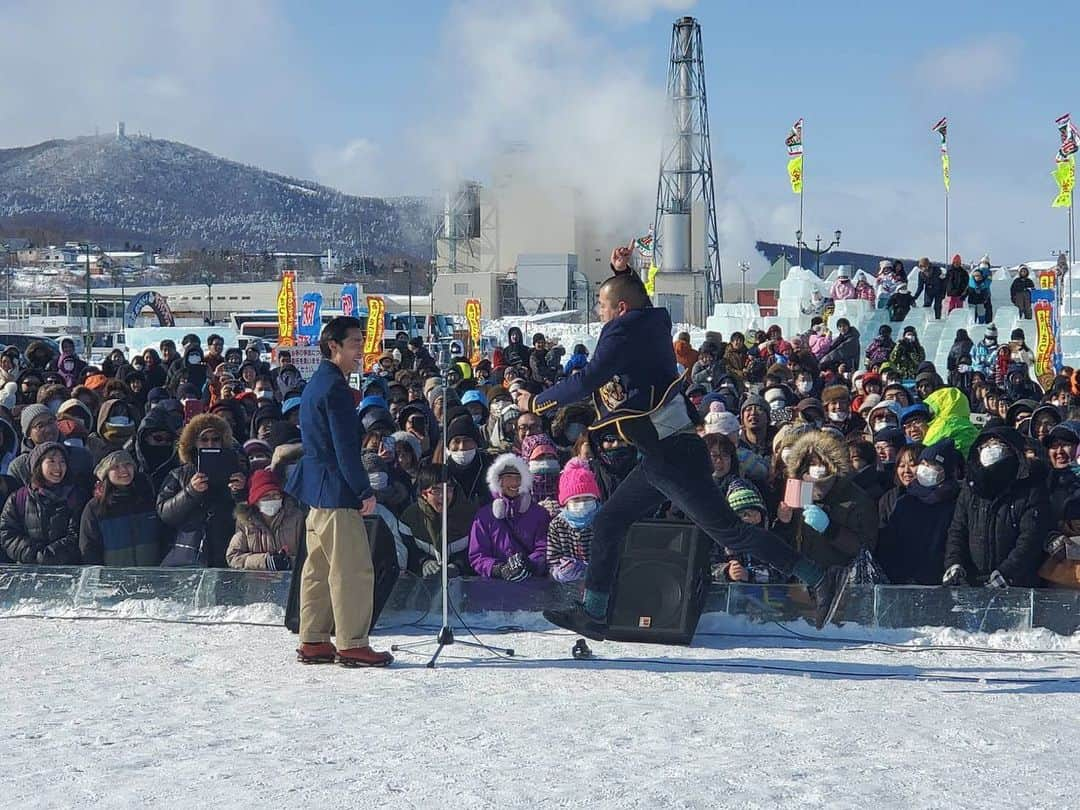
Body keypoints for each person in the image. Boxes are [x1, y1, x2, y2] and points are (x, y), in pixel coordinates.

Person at [523, 270, 847, 638]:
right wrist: (622, 274)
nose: (598, 312)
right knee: (609, 522)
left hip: (671, 454)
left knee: (732, 533)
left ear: (622, 309)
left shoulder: (622, 330)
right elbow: (633, 313)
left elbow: (588, 378)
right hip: (661, 454)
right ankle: (594, 612)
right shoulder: (649, 326)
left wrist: (537, 401)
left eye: (602, 305)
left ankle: (819, 577)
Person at [284, 316, 392, 667]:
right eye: (356, 342)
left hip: (316, 490)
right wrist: (363, 490)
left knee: (316, 568)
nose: (361, 348)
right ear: (334, 346)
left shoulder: (316, 383)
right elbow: (345, 448)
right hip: (337, 490)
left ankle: (313, 638)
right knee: (352, 569)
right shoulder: (336, 389)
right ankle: (352, 642)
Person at [943, 428, 1049, 587]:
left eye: (996, 444)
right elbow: (958, 530)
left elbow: (1030, 537)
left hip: (1017, 585)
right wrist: (954, 563)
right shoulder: (971, 487)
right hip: (974, 583)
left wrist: (1007, 573)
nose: (989, 449)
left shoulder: (1030, 487)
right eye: (985, 445)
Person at [775, 430, 878, 570]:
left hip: (840, 582)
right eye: (812, 462)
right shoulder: (797, 491)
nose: (817, 468)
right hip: (801, 581)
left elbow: (865, 548)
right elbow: (783, 545)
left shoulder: (856, 498)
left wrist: (830, 529)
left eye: (822, 462)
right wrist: (784, 523)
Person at [877, 439, 961, 584]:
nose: (925, 469)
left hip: (940, 580)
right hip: (903, 580)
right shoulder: (904, 501)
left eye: (932, 465)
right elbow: (888, 542)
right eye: (923, 464)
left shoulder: (957, 501)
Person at [467, 453, 550, 580]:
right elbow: (477, 555)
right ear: (498, 481)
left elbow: (544, 548)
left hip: (532, 586)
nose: (514, 482)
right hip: (495, 589)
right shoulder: (484, 516)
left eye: (518, 477)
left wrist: (529, 564)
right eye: (508, 477)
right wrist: (498, 569)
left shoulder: (539, 514)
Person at [79, 449, 166, 567]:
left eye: (127, 464)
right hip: (113, 581)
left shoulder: (148, 498)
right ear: (106, 473)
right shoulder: (95, 508)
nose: (124, 470)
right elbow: (89, 549)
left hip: (151, 576)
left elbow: (163, 536)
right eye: (116, 467)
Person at [0, 442, 81, 565]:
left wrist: (50, 555)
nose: (58, 467)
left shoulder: (76, 496)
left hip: (67, 569)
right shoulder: (18, 498)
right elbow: (7, 533)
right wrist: (33, 554)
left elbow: (76, 534)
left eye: (62, 462)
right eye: (51, 461)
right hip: (27, 570)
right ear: (38, 465)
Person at [399, 463, 477, 577]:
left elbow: (477, 550)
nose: (443, 495)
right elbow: (408, 550)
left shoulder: (471, 515)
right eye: (436, 490)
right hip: (424, 585)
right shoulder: (409, 518)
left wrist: (458, 565)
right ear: (424, 494)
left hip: (463, 583)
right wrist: (423, 562)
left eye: (448, 489)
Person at [226, 469, 304, 570]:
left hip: (292, 581)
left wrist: (289, 562)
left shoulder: (296, 518)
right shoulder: (245, 522)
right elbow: (233, 557)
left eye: (276, 495)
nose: (272, 499)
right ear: (255, 501)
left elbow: (310, 555)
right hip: (257, 583)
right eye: (266, 496)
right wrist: (265, 561)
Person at [546, 458, 601, 583]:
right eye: (576, 500)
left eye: (587, 498)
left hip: (601, 584)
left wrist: (593, 569)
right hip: (569, 588)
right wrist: (558, 572)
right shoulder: (557, 525)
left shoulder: (604, 520)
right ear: (566, 502)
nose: (582, 503)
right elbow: (552, 560)